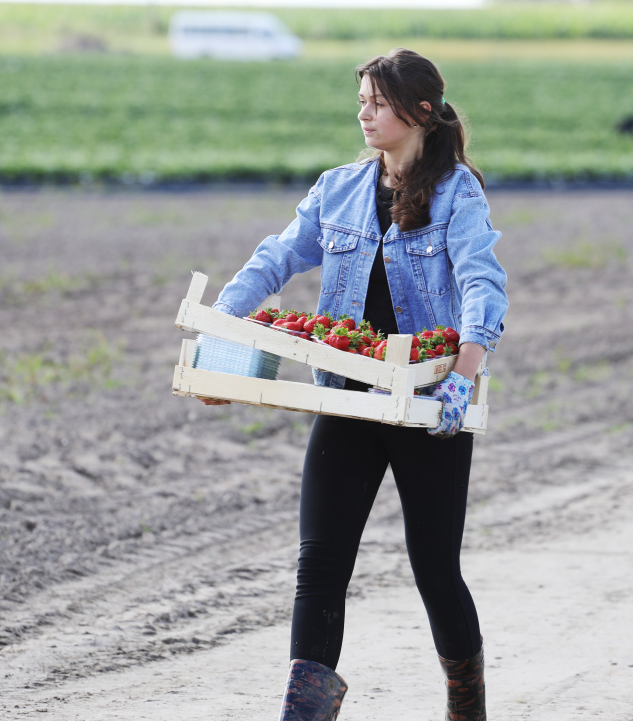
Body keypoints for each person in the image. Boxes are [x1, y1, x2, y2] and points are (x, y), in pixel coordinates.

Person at [201, 48, 508, 721]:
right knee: (319, 566)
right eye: (361, 102)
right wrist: (218, 327)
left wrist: (465, 370)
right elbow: (278, 255)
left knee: (433, 569)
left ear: (417, 111)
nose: (363, 115)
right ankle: (303, 713)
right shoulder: (337, 187)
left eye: (376, 103)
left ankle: (466, 702)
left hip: (428, 404)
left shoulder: (457, 192)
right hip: (344, 397)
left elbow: (481, 280)